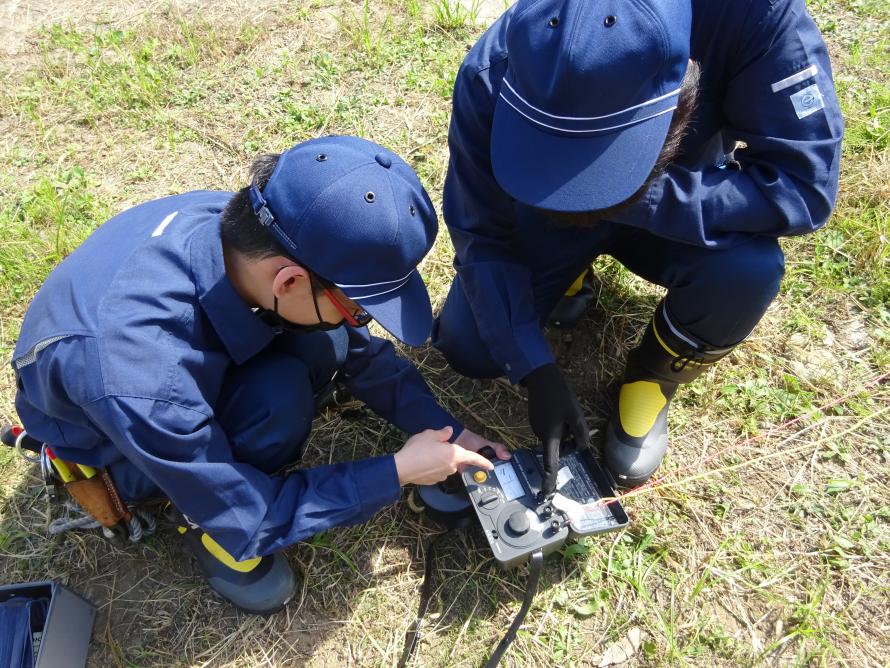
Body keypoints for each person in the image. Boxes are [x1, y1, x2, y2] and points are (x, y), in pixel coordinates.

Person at [12, 136, 509, 614]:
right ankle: (198, 526)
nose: (361, 321)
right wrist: (396, 472)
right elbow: (253, 516)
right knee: (279, 403)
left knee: (327, 340)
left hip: (153, 373)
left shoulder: (249, 233)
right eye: (358, 308)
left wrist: (448, 428)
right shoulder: (142, 379)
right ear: (289, 280)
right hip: (115, 437)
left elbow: (359, 353)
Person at [432, 0, 843, 493]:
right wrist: (533, 367)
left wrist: (640, 198)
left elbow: (805, 186)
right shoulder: (505, 61)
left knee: (748, 270)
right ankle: (571, 274)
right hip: (546, 216)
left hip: (673, 203)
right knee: (470, 345)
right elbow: (479, 232)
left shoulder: (755, 14)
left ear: (684, 95)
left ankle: (651, 380)